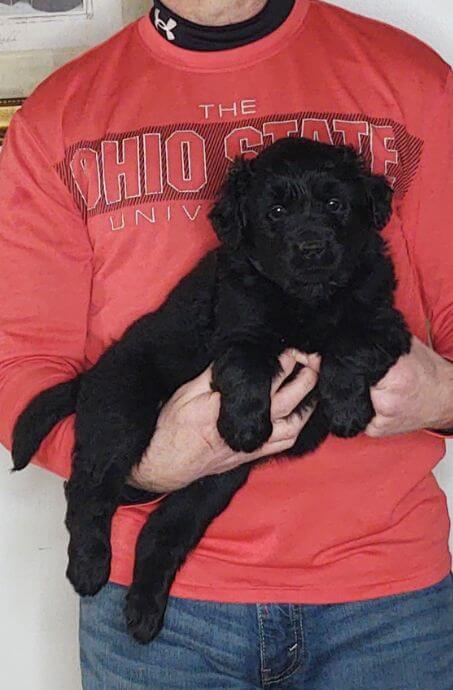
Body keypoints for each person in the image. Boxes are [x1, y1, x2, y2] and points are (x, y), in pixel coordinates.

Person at [0, 0, 452, 687]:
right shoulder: (61, 113)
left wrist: (442, 395)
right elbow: (18, 364)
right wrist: (147, 465)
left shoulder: (411, 79)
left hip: (388, 600)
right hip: (157, 616)